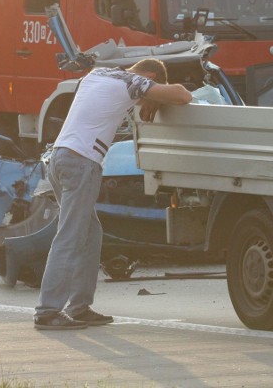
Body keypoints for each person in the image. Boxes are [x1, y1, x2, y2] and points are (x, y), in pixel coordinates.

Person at [33, 58, 193, 330]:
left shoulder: (97, 74)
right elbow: (182, 95)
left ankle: (79, 307)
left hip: (59, 159)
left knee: (90, 233)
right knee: (70, 235)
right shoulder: (134, 82)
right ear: (151, 76)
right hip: (82, 162)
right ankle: (48, 311)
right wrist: (155, 92)